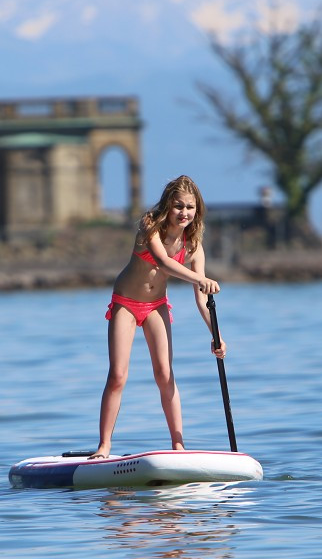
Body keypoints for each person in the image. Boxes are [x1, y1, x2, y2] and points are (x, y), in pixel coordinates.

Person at [91, 175, 226, 459]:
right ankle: (104, 447)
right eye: (178, 206)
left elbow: (201, 299)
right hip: (125, 303)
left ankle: (178, 445)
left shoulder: (193, 244)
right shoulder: (149, 225)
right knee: (118, 375)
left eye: (190, 207)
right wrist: (200, 278)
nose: (184, 213)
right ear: (168, 205)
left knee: (164, 374)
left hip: (156, 305)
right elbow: (164, 261)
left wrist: (216, 335)